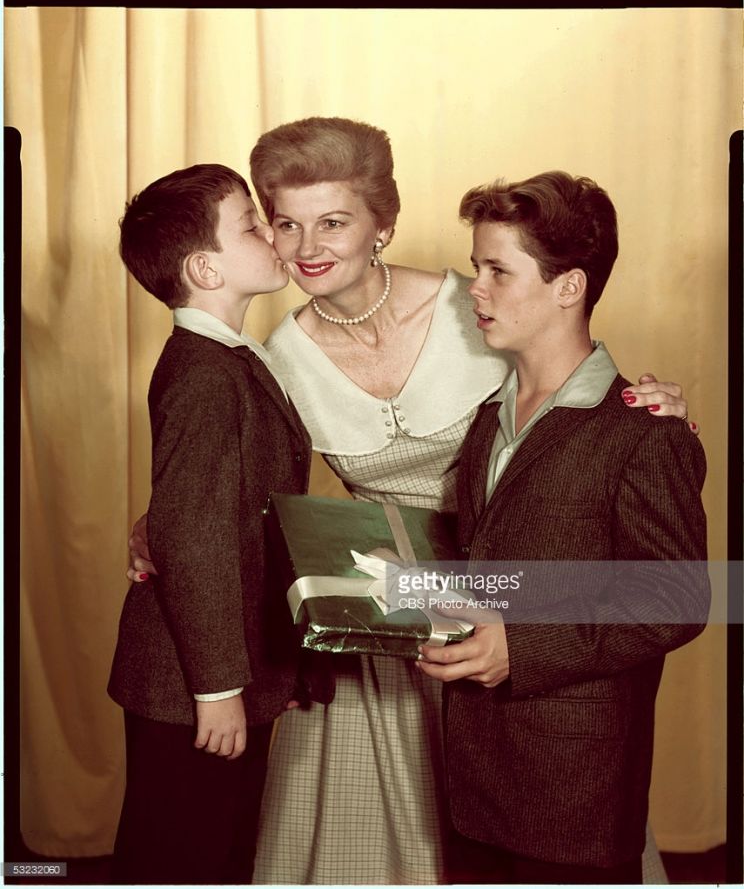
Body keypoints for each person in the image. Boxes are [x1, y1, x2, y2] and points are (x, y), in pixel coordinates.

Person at [127, 118, 691, 884]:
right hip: (379, 627)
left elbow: (575, 414)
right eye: (284, 223)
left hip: (512, 611)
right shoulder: (272, 357)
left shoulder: (481, 305)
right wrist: (157, 526)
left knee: (542, 828)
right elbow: (222, 484)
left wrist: (658, 407)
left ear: (382, 224)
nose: (306, 246)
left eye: (333, 221)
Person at [417, 170, 710, 884]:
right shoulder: (489, 417)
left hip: (575, 796)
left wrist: (521, 645)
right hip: (473, 783)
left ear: (569, 287)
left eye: (498, 271)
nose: (474, 289)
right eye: (475, 268)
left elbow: (678, 600)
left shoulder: (645, 431)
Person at [108, 163, 319, 884]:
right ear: (205, 269)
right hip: (189, 682)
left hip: (223, 666)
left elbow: (232, 517)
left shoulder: (226, 358)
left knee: (221, 854)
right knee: (180, 860)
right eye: (252, 226)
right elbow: (191, 536)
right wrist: (218, 688)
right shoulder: (204, 372)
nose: (274, 236)